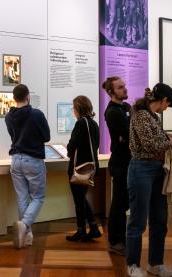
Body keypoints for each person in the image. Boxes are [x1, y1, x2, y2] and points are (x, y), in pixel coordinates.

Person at [126, 83, 172, 277]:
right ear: (163, 100)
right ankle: (133, 265)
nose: (166, 108)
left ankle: (155, 263)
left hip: (156, 170)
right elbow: (150, 145)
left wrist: (170, 137)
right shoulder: (142, 115)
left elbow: (155, 140)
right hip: (141, 169)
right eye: (167, 104)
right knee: (138, 221)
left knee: (159, 220)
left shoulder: (151, 116)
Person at [5, 84, 50, 249]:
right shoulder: (37, 114)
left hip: (16, 159)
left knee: (22, 198)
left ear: (14, 98)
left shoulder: (9, 117)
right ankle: (24, 225)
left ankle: (26, 237)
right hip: (33, 159)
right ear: (28, 96)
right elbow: (46, 136)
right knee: (38, 197)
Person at [102, 76, 131, 255]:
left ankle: (122, 238)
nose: (125, 89)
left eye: (124, 86)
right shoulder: (112, 112)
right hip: (120, 163)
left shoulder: (126, 108)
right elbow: (127, 134)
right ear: (112, 92)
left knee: (124, 202)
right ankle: (115, 241)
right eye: (120, 88)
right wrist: (125, 136)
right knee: (119, 204)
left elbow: (129, 133)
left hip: (128, 161)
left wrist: (126, 136)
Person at [66, 95, 101, 242]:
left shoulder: (80, 123)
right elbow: (96, 145)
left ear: (78, 109)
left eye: (74, 108)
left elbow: (72, 145)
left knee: (78, 200)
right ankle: (93, 227)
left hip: (78, 167)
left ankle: (81, 230)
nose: (73, 111)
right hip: (90, 167)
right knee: (81, 198)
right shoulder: (93, 124)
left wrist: (68, 150)